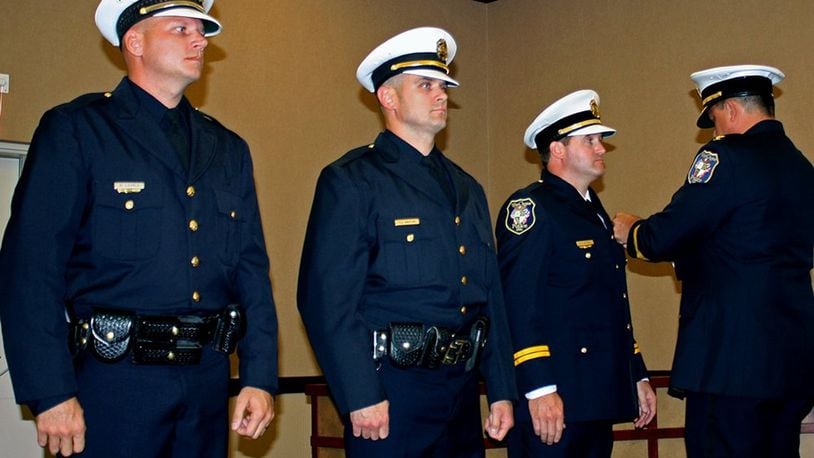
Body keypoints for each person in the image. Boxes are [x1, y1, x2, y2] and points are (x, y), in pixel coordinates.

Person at [0, 1, 278, 456]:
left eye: (202, 30)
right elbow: (31, 270)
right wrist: (50, 392)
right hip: (114, 386)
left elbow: (250, 273)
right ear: (135, 42)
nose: (199, 40)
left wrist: (260, 376)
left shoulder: (227, 148)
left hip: (206, 384)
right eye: (181, 28)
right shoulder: (79, 130)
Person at [297, 27, 516, 458]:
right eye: (426, 84)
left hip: (460, 393)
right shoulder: (353, 180)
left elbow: (490, 300)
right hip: (391, 393)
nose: (441, 96)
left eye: (443, 86)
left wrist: (502, 388)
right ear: (388, 97)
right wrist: (359, 393)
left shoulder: (466, 187)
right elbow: (326, 300)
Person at [613, 65, 814, 458]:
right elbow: (748, 250)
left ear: (733, 111)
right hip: (791, 366)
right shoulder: (802, 169)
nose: (714, 130)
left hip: (730, 366)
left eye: (716, 118)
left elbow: (671, 232)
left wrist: (633, 231)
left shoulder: (725, 157)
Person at [496, 90, 656, 457]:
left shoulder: (594, 213)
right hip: (554, 400)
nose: (602, 149)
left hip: (594, 398)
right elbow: (518, 306)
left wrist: (637, 374)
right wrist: (539, 389)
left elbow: (611, 305)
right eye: (591, 140)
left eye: (600, 140)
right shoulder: (531, 209)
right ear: (558, 149)